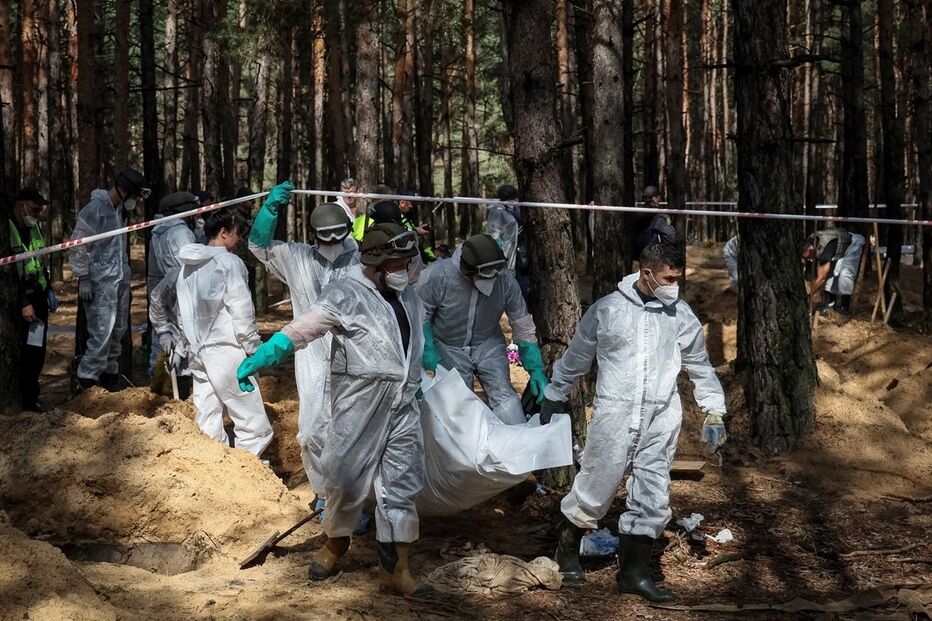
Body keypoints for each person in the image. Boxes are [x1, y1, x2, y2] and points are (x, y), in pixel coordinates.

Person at [236, 223, 432, 597]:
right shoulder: (346, 293)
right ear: (374, 263)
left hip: (402, 405)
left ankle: (396, 569)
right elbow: (303, 329)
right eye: (396, 264)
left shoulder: (408, 295)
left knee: (401, 483)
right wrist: (260, 357)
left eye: (408, 262)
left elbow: (415, 337)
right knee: (342, 478)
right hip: (359, 403)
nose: (405, 270)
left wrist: (418, 374)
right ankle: (336, 542)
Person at [540, 242, 727, 603]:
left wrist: (714, 409)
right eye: (668, 278)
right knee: (596, 484)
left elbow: (700, 367)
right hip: (615, 413)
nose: (675, 285)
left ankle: (634, 574)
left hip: (661, 415)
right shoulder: (608, 310)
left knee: (654, 494)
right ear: (646, 273)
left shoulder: (681, 316)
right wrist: (554, 391)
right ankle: (566, 554)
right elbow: (578, 355)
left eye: (678, 278)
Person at [249, 182, 360, 509]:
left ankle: (354, 499)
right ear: (314, 235)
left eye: (337, 235)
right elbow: (258, 247)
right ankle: (325, 495)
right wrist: (270, 210)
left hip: (353, 354)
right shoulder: (296, 257)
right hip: (310, 354)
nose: (331, 244)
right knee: (312, 432)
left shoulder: (362, 261)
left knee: (353, 430)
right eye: (324, 236)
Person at [418, 234, 547, 425]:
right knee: (457, 405)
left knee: (505, 398)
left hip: (488, 344)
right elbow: (420, 313)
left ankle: (515, 444)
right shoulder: (438, 276)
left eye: (494, 274)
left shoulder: (504, 280)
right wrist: (427, 345)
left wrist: (536, 367)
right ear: (467, 270)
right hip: (448, 346)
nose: (490, 280)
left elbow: (522, 324)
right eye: (483, 276)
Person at [175, 208, 273, 458]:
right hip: (230, 353)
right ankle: (249, 477)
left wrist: (183, 343)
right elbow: (241, 310)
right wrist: (254, 348)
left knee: (207, 419)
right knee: (253, 424)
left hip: (199, 353)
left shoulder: (186, 267)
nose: (239, 240)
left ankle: (214, 474)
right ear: (223, 232)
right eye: (237, 234)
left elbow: (181, 310)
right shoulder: (229, 263)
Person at [70, 168, 150, 391]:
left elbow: (117, 251)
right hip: (99, 284)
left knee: (117, 333)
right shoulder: (95, 209)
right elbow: (77, 245)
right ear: (124, 191)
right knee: (101, 335)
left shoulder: (118, 212)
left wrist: (125, 282)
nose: (134, 202)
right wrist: (84, 277)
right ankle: (87, 386)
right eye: (133, 196)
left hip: (118, 281)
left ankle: (109, 386)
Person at [10, 187, 58, 411]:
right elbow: (10, 273)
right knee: (25, 354)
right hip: (21, 302)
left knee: (37, 352)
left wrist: (48, 288)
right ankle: (25, 402)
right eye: (35, 209)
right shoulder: (8, 229)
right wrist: (23, 302)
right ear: (22, 205)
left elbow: (40, 263)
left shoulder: (35, 228)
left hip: (38, 299)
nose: (38, 214)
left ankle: (32, 398)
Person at [147, 192, 199, 373]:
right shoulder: (181, 233)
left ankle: (164, 385)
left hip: (166, 293)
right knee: (184, 347)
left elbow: (153, 276)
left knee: (168, 345)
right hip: (180, 291)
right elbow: (191, 268)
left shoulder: (158, 233)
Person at [801, 227, 865, 316]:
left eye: (807, 257)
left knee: (845, 275)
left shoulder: (824, 252)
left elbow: (821, 278)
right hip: (837, 249)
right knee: (832, 274)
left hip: (852, 245)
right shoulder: (811, 241)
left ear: (811, 250)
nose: (808, 260)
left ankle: (844, 307)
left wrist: (809, 295)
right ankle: (830, 304)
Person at [631, 185, 678, 264]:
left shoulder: (637, 213)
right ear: (654, 198)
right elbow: (671, 237)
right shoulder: (660, 216)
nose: (659, 199)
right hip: (653, 256)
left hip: (636, 257)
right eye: (658, 197)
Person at [398, 189, 435, 261]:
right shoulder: (395, 218)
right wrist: (416, 232)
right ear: (402, 202)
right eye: (412, 203)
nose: (412, 207)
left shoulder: (407, 218)